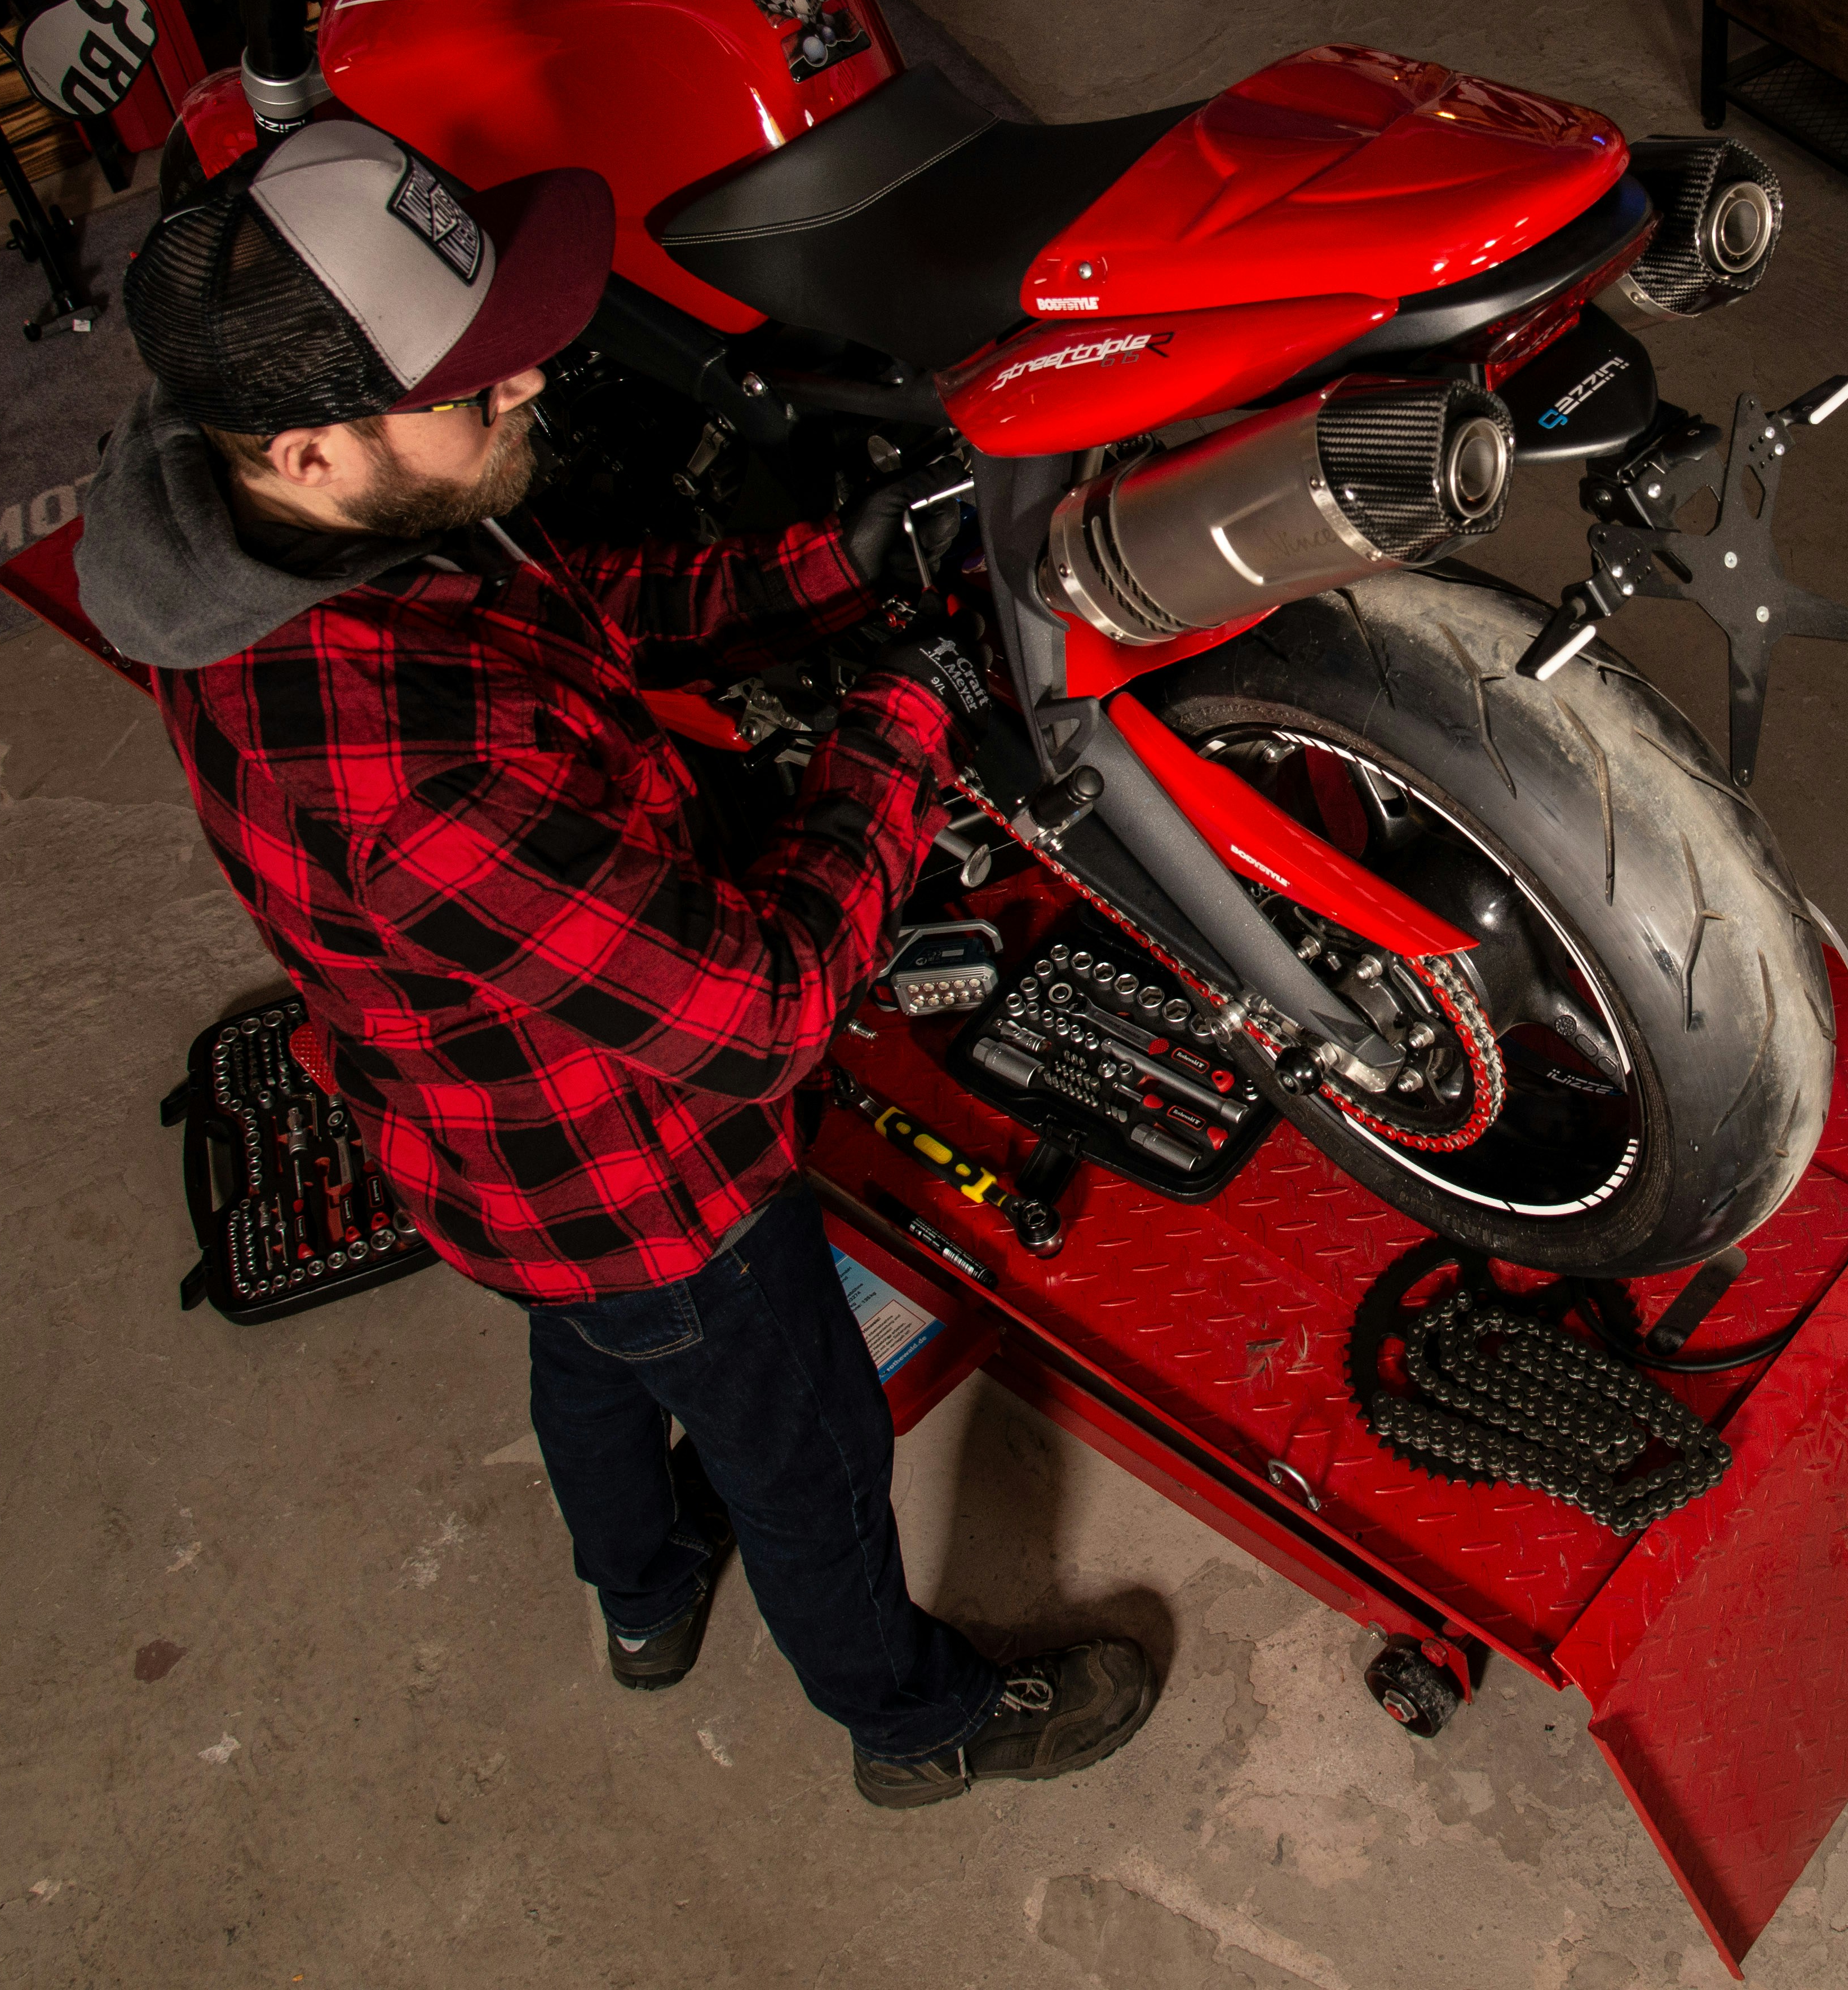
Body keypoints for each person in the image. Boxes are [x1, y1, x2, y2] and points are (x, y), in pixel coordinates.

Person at [74, 121, 1156, 1807]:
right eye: (472, 391)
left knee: (584, 1360)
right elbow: (762, 1016)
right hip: (657, 1194)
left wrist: (836, 566)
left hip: (486, 1164)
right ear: (306, 451)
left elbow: (561, 616)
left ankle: (641, 1600)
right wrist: (905, 709)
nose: (529, 395)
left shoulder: (251, 534)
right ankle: (912, 1725)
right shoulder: (396, 775)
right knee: (805, 1459)